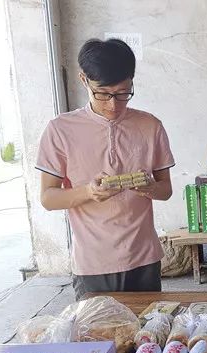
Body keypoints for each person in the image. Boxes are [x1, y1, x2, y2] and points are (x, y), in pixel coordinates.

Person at [36, 38, 175, 299]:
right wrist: (89, 192)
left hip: (144, 258)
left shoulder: (150, 126)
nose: (113, 104)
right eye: (103, 94)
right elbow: (48, 198)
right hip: (92, 264)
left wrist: (150, 188)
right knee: (96, 336)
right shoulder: (60, 129)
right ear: (83, 80)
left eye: (123, 93)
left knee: (146, 336)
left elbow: (165, 190)